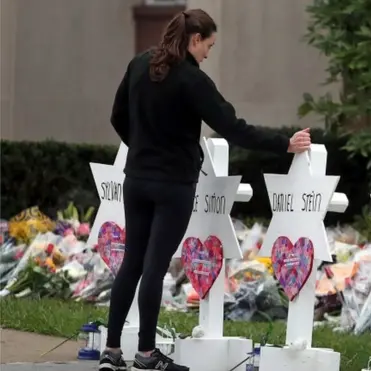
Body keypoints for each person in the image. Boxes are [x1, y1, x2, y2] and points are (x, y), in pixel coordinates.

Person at [99, 8, 311, 371]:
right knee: (154, 267)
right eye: (208, 46)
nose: (208, 54)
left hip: (136, 180)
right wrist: (283, 144)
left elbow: (117, 116)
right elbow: (232, 127)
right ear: (194, 39)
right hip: (173, 185)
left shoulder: (139, 64)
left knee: (131, 263)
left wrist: (141, 148)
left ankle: (112, 351)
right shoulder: (191, 81)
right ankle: (147, 355)